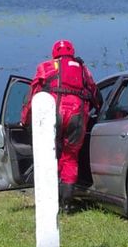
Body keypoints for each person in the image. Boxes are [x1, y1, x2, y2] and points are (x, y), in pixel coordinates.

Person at [20, 39, 100, 211]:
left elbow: (32, 93)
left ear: (54, 52)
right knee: (70, 157)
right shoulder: (83, 69)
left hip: (53, 114)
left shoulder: (46, 67)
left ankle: (50, 198)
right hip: (77, 117)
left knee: (50, 154)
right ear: (72, 51)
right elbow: (94, 93)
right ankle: (66, 203)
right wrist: (99, 112)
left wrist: (26, 119)